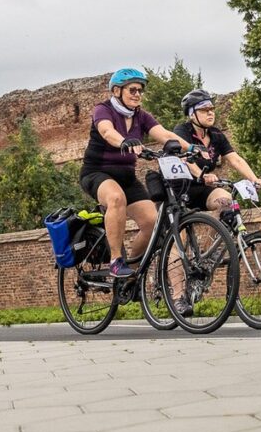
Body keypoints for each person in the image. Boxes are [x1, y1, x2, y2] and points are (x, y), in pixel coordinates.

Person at [79, 68, 197, 313]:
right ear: (117, 91)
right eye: (132, 90)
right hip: (97, 173)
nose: (137, 95)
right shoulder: (104, 110)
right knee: (115, 198)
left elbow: (164, 134)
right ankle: (115, 261)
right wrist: (124, 141)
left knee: (153, 222)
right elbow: (106, 131)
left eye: (140, 91)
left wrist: (191, 147)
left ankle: (131, 272)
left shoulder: (142, 116)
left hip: (128, 177)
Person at [173, 89, 261, 217]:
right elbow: (184, 158)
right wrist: (202, 175)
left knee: (228, 204)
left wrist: (254, 179)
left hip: (201, 188)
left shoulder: (216, 135)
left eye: (212, 109)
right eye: (204, 110)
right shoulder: (182, 131)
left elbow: (235, 159)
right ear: (192, 114)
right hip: (178, 189)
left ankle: (218, 237)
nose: (210, 113)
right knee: (181, 235)